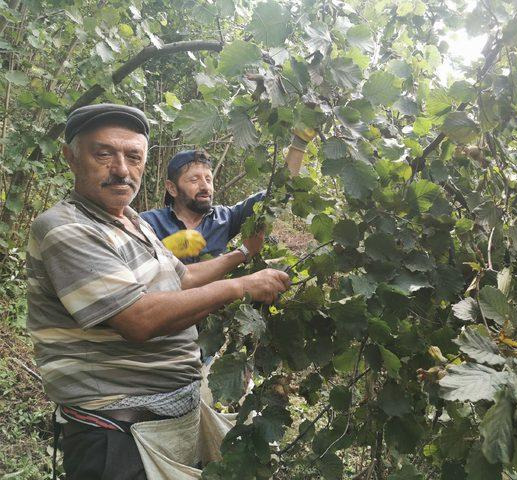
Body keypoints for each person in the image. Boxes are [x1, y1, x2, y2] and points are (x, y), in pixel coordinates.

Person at [25, 103, 291, 480]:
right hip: (114, 437)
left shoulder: (132, 221)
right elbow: (137, 318)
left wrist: (242, 255)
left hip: (163, 425)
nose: (121, 169)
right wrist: (240, 287)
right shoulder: (65, 228)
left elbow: (181, 279)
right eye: (104, 154)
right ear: (70, 157)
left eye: (133, 156)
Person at [140, 131, 312, 265]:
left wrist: (300, 142)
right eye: (194, 179)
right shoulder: (148, 223)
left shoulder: (225, 219)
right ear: (172, 188)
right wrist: (164, 250)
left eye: (208, 179)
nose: (205, 186)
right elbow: (128, 271)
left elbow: (277, 195)